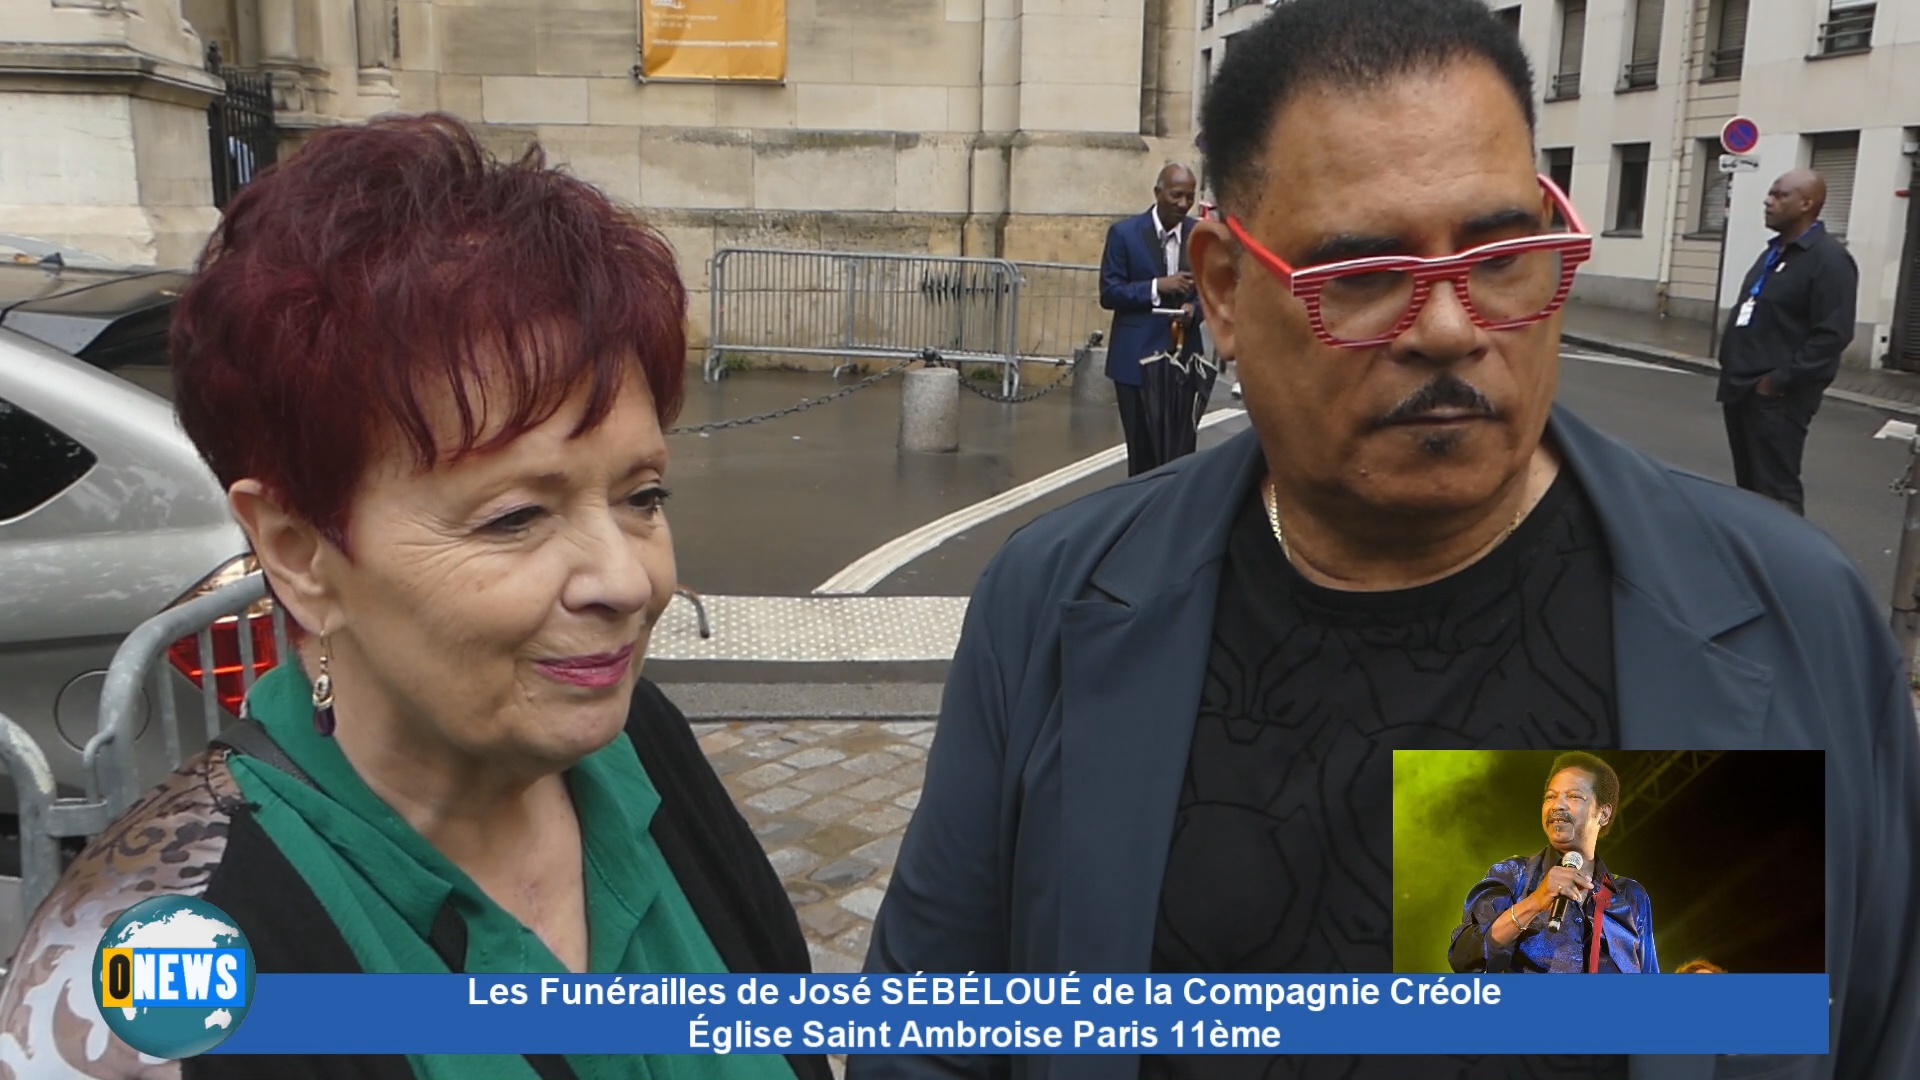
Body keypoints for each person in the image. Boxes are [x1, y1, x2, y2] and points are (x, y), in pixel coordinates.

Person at [858, 1, 1919, 1078]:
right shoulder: (1053, 602)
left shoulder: (1795, 621)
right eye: (1362, 275)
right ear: (1223, 290)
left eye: (1503, 255)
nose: (1451, 325)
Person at [0, 115, 829, 1080]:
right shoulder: (157, 975)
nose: (627, 580)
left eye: (643, 496)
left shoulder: (636, 750)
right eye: (516, 517)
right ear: (298, 550)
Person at [1716, 169, 1858, 516]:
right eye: (1770, 193)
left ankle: (1787, 566)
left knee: (1776, 494)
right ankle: (1756, 561)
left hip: (1777, 398)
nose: (1768, 201)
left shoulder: (1829, 259)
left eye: (1780, 195)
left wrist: (1776, 383)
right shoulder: (1776, 252)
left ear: (1807, 203)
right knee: (1750, 492)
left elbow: (1832, 334)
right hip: (1742, 388)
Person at [1448, 753, 1657, 975]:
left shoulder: (1631, 896)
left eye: (1574, 796)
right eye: (1550, 797)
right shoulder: (1513, 875)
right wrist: (1534, 902)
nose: (1557, 805)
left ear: (1603, 814)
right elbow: (1464, 956)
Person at [1099, 163, 1200, 476]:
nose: (1183, 204)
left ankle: (1173, 518)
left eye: (1190, 197)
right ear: (1158, 193)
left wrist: (1196, 310)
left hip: (1184, 361)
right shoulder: (1124, 234)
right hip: (1135, 362)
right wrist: (1158, 286)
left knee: (1180, 458)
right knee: (1142, 459)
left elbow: (1215, 290)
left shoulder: (1201, 235)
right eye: (1176, 195)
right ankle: (1142, 518)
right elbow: (1109, 292)